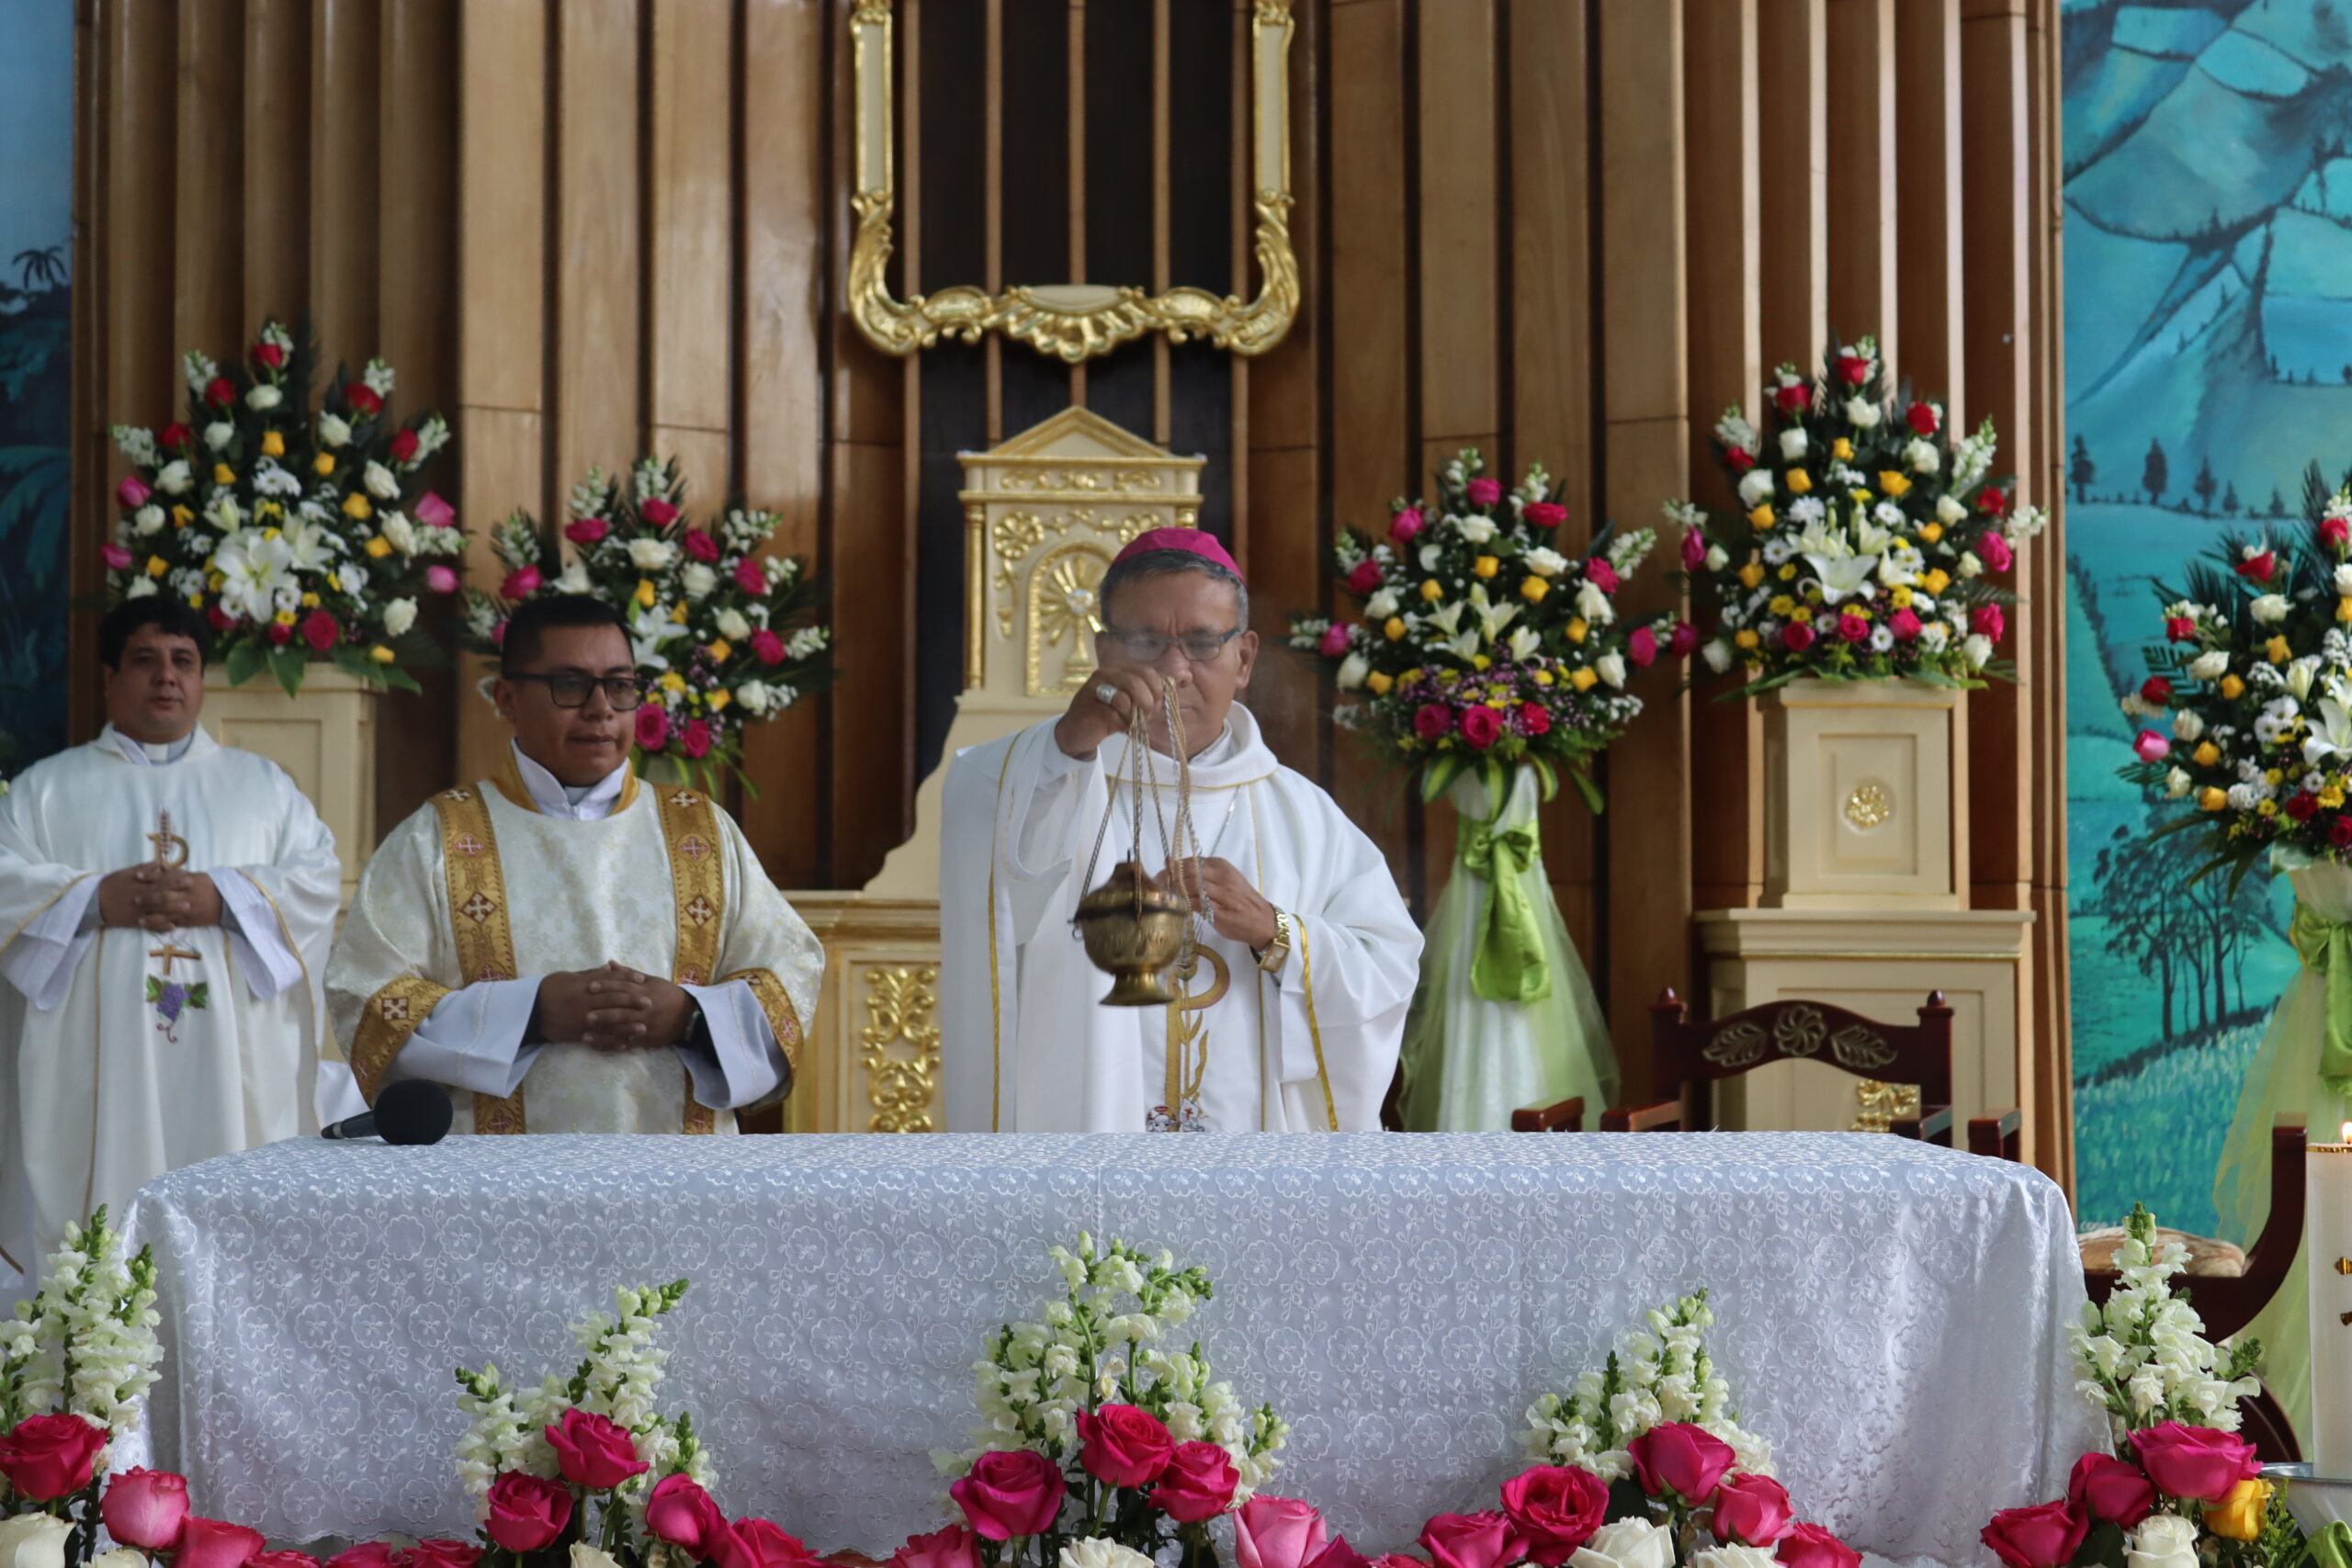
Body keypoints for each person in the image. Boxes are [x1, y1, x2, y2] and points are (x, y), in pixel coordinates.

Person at [939, 528, 1420, 1132]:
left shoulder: (1304, 816)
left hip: (1253, 1177)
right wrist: (1066, 746)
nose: (1174, 670)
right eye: (1144, 642)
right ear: (1102, 651)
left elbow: (1387, 970)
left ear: (1244, 658)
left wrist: (1277, 933)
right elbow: (988, 843)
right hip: (1083, 1160)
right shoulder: (1047, 776)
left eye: (1200, 643)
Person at [326, 594, 819, 1134]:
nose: (601, 708)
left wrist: (689, 1016)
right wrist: (531, 1012)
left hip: (680, 1182)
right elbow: (371, 1000)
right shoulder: (439, 838)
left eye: (620, 685)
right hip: (496, 1189)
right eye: (570, 684)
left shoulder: (701, 832)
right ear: (507, 698)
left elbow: (788, 980)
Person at [0, 600, 349, 1283]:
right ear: (108, 678)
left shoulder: (263, 788)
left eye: (183, 661)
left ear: (202, 681)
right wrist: (96, 899)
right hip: (97, 1069)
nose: (166, 677)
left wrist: (222, 897)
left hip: (232, 1063)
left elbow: (317, 879)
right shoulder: (47, 789)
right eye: (145, 659)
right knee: (101, 1242)